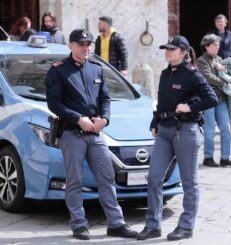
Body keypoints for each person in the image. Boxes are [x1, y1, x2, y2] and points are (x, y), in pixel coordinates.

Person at [45, 28, 138, 240]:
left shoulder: (96, 69)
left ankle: (116, 223)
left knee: (107, 178)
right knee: (75, 181)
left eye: (88, 44)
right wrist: (78, 118)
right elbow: (53, 103)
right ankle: (78, 224)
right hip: (72, 133)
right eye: (81, 44)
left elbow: (105, 99)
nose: (86, 48)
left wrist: (104, 119)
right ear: (71, 45)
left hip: (96, 135)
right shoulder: (58, 70)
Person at [136, 36, 217, 241]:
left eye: (172, 49)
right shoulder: (165, 74)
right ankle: (153, 225)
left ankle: (186, 225)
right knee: (154, 177)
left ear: (183, 52)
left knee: (189, 181)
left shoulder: (193, 75)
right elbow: (162, 103)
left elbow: (212, 98)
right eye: (166, 49)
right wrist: (154, 122)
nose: (167, 52)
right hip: (163, 131)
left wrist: (190, 107)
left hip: (185, 131)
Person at [196, 34, 231, 167]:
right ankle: (208, 157)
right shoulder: (201, 61)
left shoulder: (219, 59)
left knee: (226, 128)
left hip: (221, 98)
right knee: (209, 130)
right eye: (214, 45)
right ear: (206, 46)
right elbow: (208, 78)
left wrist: (224, 71)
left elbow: (229, 73)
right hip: (208, 99)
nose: (217, 47)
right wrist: (225, 82)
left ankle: (225, 157)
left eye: (218, 45)